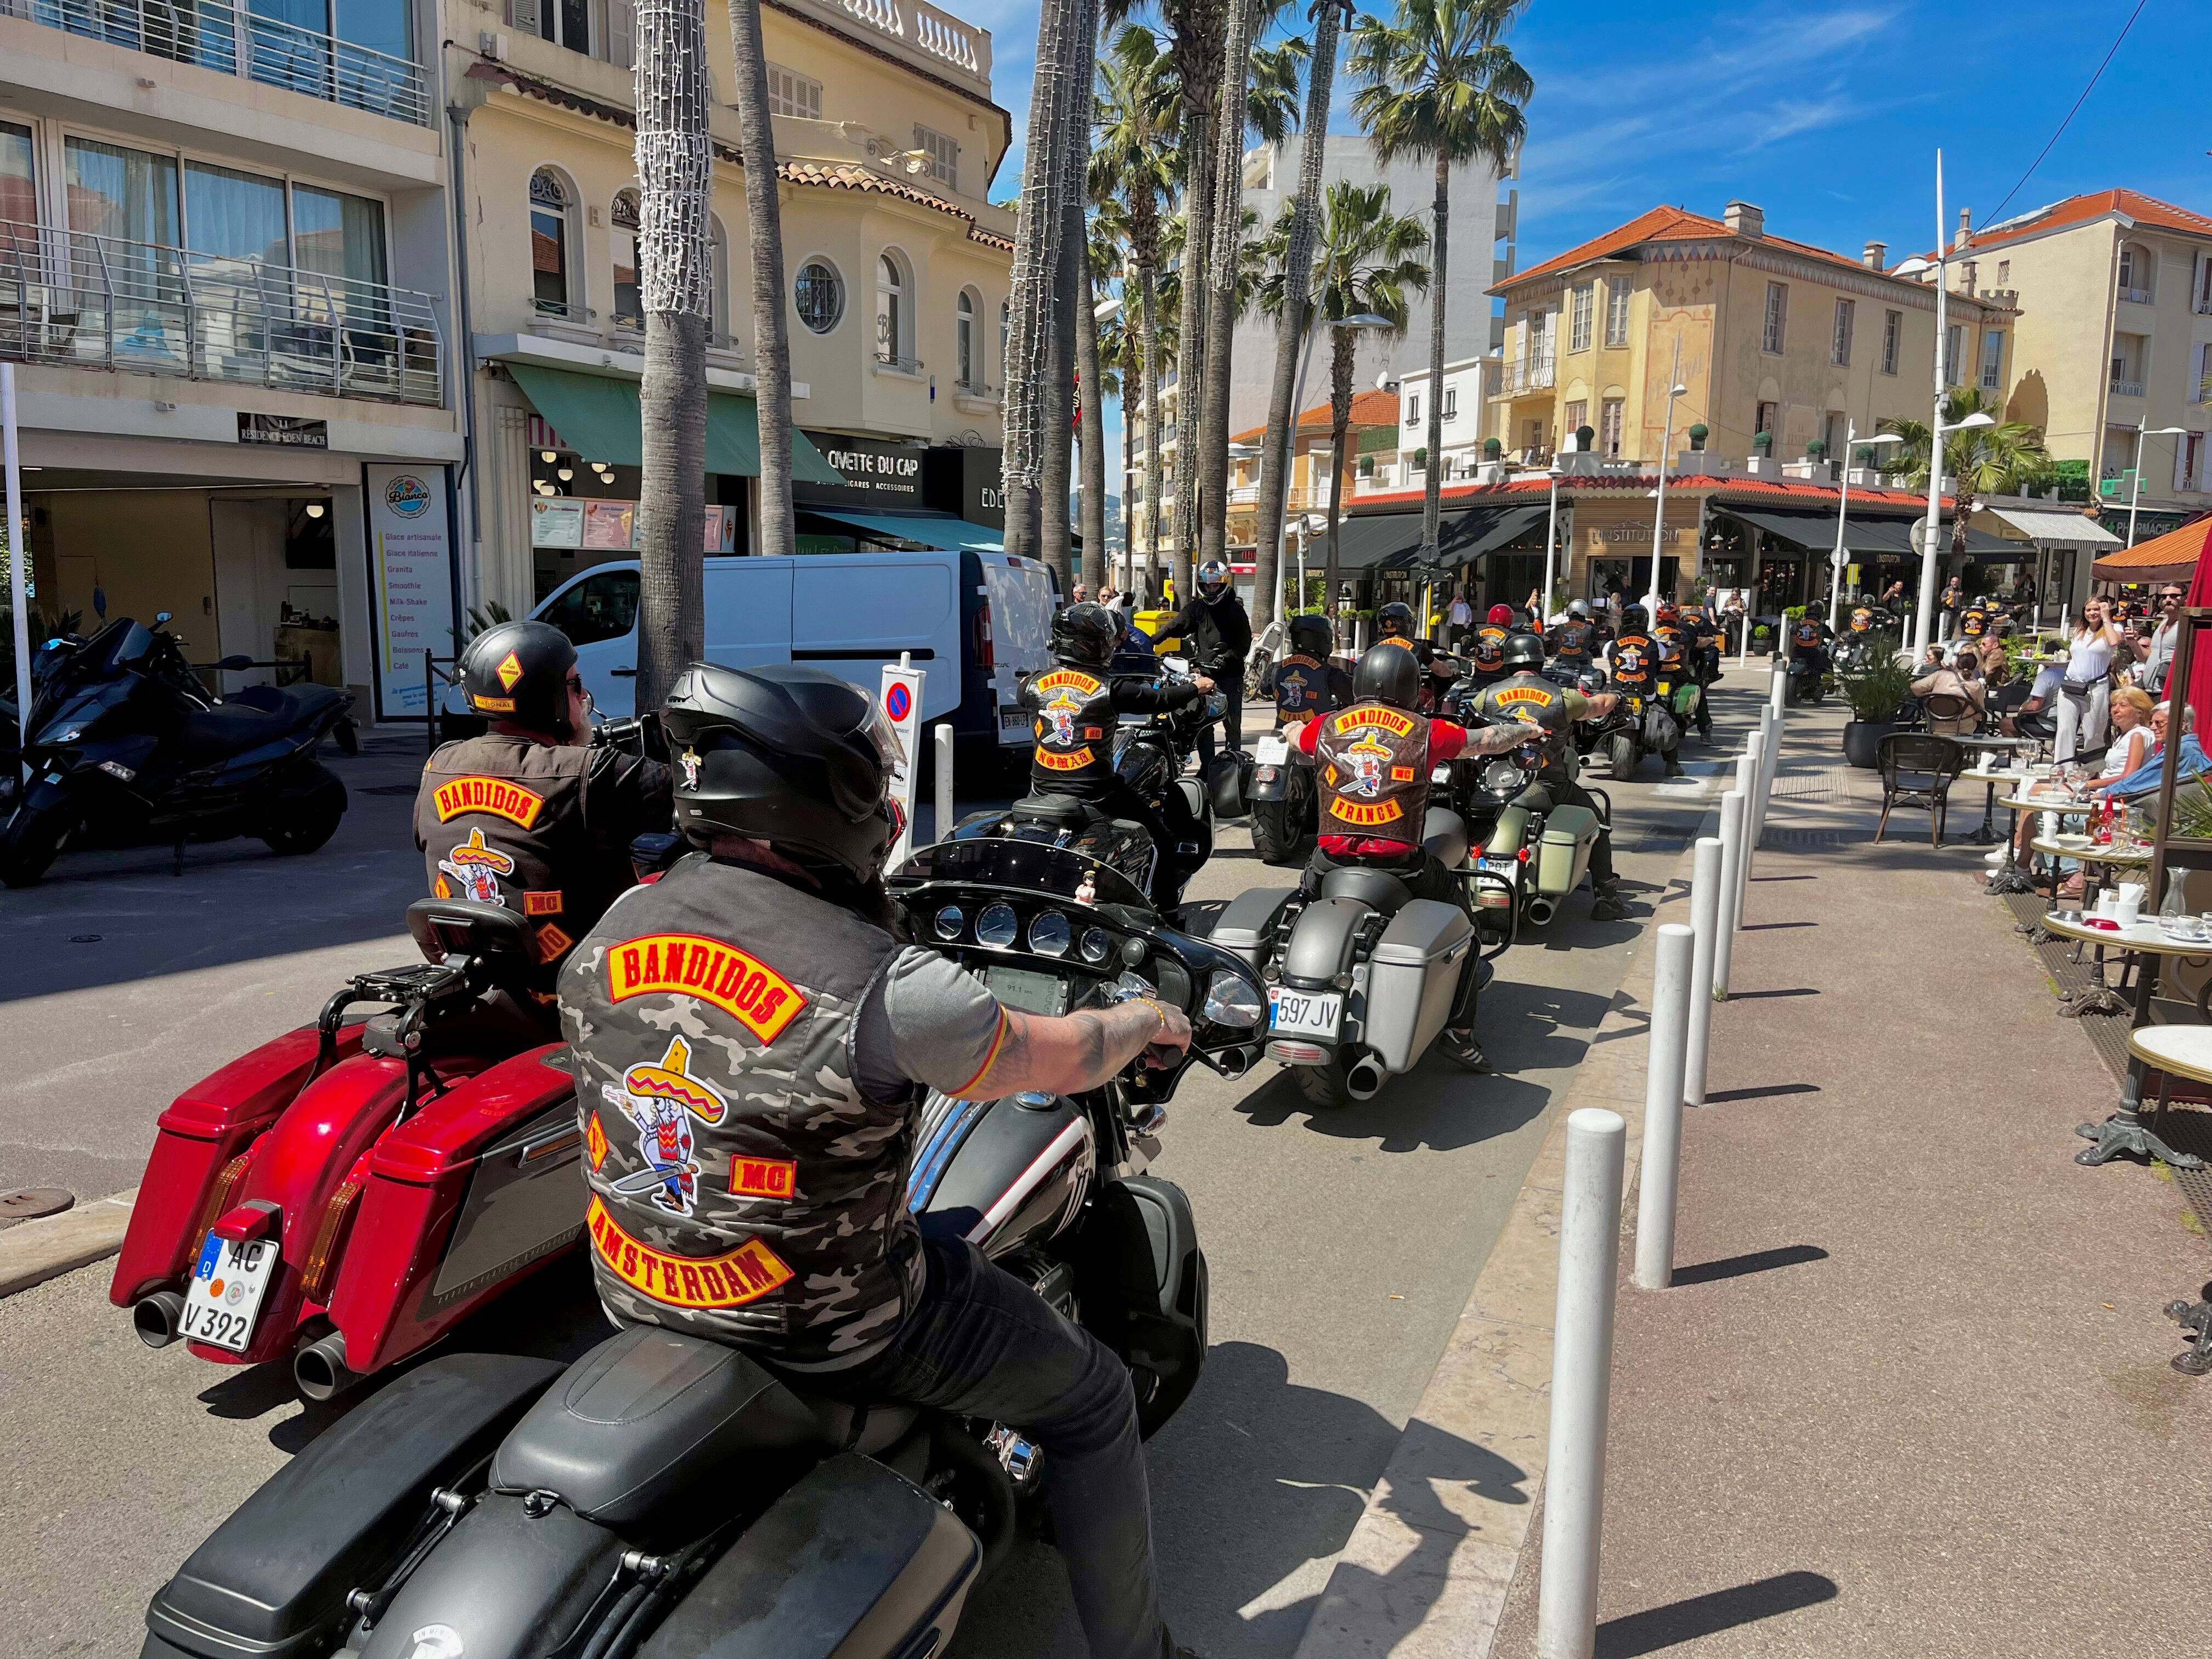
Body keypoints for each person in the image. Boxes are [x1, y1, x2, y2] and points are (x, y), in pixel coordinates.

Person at [558, 661, 1204, 1659]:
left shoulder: (606, 931)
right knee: (1092, 1397)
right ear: (833, 798)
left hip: (638, 1292)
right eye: (870, 779)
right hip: (832, 1328)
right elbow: (1066, 1055)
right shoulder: (893, 989)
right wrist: (1147, 1015)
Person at [416, 620, 672, 1008]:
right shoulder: (591, 773)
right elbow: (689, 784)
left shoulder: (439, 765)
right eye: (574, 683)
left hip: (482, 977)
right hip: (580, 988)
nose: (584, 694)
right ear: (549, 696)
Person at [1292, 643, 1527, 1061]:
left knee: (1297, 910)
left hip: (1329, 862)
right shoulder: (1426, 730)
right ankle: (1460, 1031)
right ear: (1410, 687)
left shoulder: (1326, 726)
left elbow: (1295, 735)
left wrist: (1294, 733)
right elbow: (1487, 741)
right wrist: (1527, 730)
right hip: (1400, 866)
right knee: (1467, 930)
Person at [1026, 602, 1212, 910]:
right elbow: (1161, 700)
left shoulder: (1030, 685)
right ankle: (1169, 913)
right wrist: (1197, 687)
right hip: (1096, 792)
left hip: (1040, 790)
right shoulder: (1111, 689)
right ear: (1093, 645)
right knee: (1164, 842)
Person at [1464, 633, 1633, 919]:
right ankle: (1607, 897)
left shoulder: (1487, 695)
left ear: (1507, 662)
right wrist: (1616, 696)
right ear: (1541, 661)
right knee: (1598, 825)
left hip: (1500, 784)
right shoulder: (1561, 696)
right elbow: (1599, 706)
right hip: (1548, 783)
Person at [2000, 686, 2152, 888]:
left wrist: (2088, 784)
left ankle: (2064, 871)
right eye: (2114, 705)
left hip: (2109, 806)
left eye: (2123, 706)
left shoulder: (2138, 735)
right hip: (2101, 796)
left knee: (2039, 805)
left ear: (2140, 712)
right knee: (2035, 794)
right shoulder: (2125, 736)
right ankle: (2023, 862)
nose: (2115, 710)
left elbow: (2129, 777)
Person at [1145, 558, 1250, 759]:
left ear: (1223, 583)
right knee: (1203, 723)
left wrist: (1228, 657)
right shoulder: (1197, 608)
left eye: (1215, 585)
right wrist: (1152, 640)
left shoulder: (1235, 610)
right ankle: (1208, 765)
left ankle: (1234, 763)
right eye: (1207, 585)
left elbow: (1244, 644)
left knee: (1232, 722)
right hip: (1205, 674)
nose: (1211, 589)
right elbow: (1176, 625)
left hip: (1231, 675)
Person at [2055, 597, 2122, 763]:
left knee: (2093, 733)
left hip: (2095, 687)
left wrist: (2106, 618)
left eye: (2096, 609)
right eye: (2088, 610)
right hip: (2070, 685)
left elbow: (2114, 642)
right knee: (2065, 731)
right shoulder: (2079, 631)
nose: (2092, 613)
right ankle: (2063, 769)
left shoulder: (2113, 628)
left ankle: (2091, 771)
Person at [1260, 613, 1352, 722]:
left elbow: (1265, 689)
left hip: (1282, 731)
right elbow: (1351, 698)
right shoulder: (1329, 673)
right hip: (1315, 735)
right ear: (1322, 638)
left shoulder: (1275, 668)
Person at [1909, 650, 1987, 736]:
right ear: (1974, 667)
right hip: (1962, 727)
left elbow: (1915, 687)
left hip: (1936, 724)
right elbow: (1980, 714)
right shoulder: (1976, 685)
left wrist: (1929, 698)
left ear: (1957, 663)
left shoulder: (1939, 675)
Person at [2134, 583, 2185, 692]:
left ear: (2185, 598)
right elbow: (2148, 656)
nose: (2168, 600)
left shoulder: (2185, 625)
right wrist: (2132, 642)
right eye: (2164, 597)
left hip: (2168, 692)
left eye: (2174, 596)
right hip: (2150, 690)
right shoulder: (2163, 623)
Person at [1549, 600, 1599, 674]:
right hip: (1583, 665)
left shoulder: (1560, 628)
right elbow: (1596, 649)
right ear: (1584, 612)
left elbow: (1548, 641)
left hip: (1560, 663)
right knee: (1598, 678)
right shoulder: (1590, 629)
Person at [1447, 588, 1476, 652]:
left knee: (1462, 640)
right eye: (1457, 599)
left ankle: (1461, 652)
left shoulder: (1465, 605)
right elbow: (1448, 609)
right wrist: (1453, 601)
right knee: (1453, 640)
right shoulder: (1454, 605)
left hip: (1463, 626)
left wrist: (1468, 624)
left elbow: (1469, 615)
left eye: (1460, 599)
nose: (1458, 600)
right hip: (1454, 625)